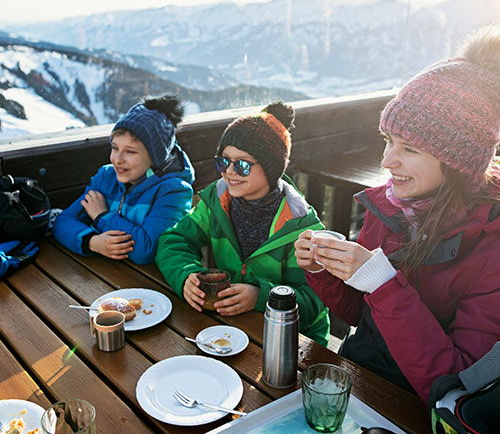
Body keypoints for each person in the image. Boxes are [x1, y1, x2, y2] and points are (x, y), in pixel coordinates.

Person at [294, 24, 500, 403]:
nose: (387, 161)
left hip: (422, 414)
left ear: (456, 160)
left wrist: (383, 284)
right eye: (389, 141)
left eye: (409, 148)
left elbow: (457, 383)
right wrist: (323, 271)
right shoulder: (391, 207)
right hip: (358, 385)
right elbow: (360, 314)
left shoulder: (491, 246)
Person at [156, 101, 330, 346]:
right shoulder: (217, 204)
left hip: (294, 341)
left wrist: (262, 297)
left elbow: (314, 301)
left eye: (243, 165)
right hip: (233, 329)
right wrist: (186, 277)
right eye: (224, 161)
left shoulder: (299, 226)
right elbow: (173, 241)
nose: (230, 172)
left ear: (271, 168)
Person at [52, 95, 195, 265]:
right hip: (103, 275)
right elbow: (63, 221)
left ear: (155, 157)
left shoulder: (174, 191)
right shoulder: (106, 178)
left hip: (150, 282)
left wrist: (102, 216)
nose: (117, 159)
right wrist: (91, 242)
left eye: (130, 152)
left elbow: (146, 249)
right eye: (115, 148)